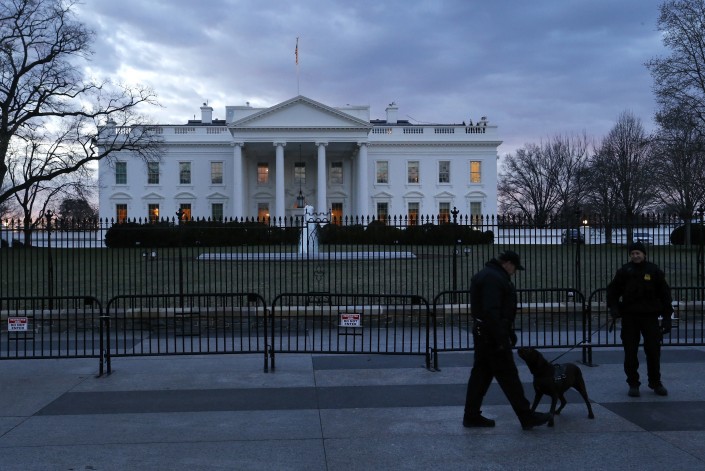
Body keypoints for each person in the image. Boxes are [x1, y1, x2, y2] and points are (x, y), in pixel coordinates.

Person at [463, 250, 551, 430]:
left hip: (484, 334)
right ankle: (526, 416)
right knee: (509, 377)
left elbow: (492, 311)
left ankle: (471, 416)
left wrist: (507, 331)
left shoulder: (488, 275)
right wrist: (502, 337)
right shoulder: (494, 278)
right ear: (508, 263)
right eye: (515, 268)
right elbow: (492, 311)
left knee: (480, 376)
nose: (514, 272)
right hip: (492, 336)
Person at [607, 241, 673, 398]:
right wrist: (614, 309)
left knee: (653, 351)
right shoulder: (625, 271)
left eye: (638, 253)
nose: (635, 256)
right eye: (632, 253)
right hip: (630, 317)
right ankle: (633, 383)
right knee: (630, 351)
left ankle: (655, 382)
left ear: (644, 254)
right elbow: (612, 292)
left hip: (650, 317)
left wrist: (667, 318)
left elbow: (665, 295)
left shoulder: (654, 270)